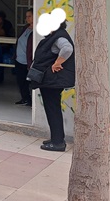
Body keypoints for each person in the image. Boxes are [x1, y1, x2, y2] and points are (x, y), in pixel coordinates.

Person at [30, 17, 75, 152]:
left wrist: (57, 63)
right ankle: (57, 138)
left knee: (53, 110)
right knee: (53, 109)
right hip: (51, 80)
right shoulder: (55, 36)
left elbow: (67, 48)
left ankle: (58, 143)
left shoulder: (59, 37)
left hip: (53, 81)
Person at [13, 9, 33, 106]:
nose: (27, 18)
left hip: (27, 61)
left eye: (29, 16)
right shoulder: (25, 28)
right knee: (20, 81)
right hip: (19, 59)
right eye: (26, 16)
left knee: (28, 82)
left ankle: (30, 100)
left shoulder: (37, 30)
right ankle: (25, 98)